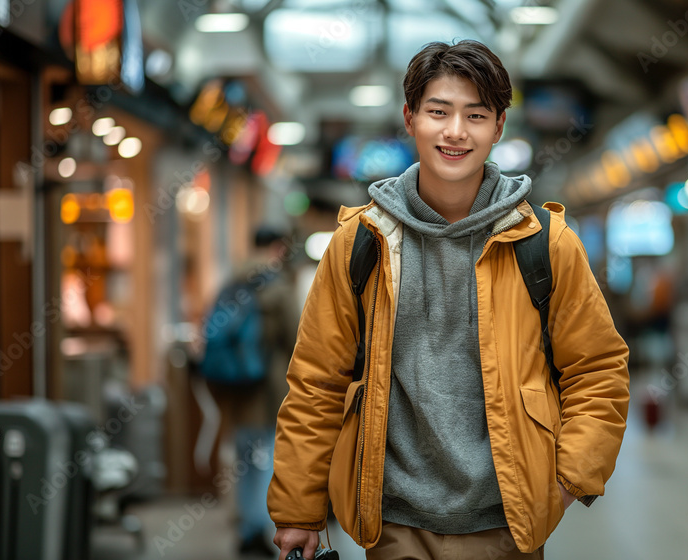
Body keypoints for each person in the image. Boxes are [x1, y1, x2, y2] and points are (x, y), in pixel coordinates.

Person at [268, 40, 630, 560]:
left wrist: (566, 483)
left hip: (507, 525)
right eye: (439, 111)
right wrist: (298, 510)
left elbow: (598, 369)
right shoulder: (361, 241)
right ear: (410, 118)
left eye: (475, 115)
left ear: (499, 126)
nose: (456, 131)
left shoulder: (544, 242)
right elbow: (317, 382)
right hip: (392, 524)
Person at [208, 226, 300, 556]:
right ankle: (259, 528)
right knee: (266, 461)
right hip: (268, 388)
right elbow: (297, 337)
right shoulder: (277, 285)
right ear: (277, 247)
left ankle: (246, 526)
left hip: (235, 388)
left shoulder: (232, 281)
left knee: (245, 460)